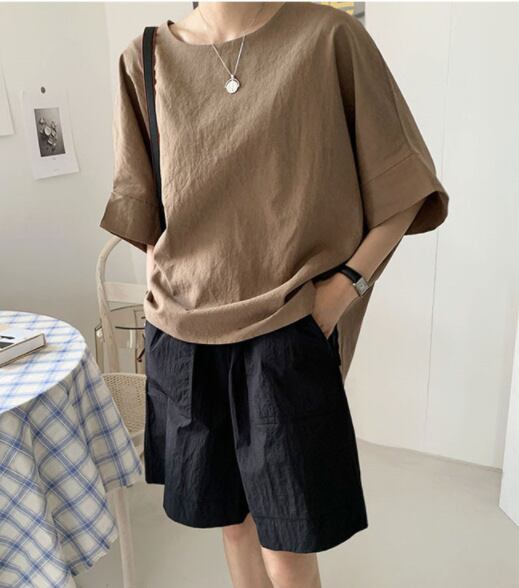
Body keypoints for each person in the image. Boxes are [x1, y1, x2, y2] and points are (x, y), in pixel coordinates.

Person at [100, 2, 449, 587]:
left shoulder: (329, 37)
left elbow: (406, 187)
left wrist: (342, 291)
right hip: (184, 336)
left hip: (287, 330)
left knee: (288, 545)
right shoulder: (144, 57)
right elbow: (144, 207)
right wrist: (164, 291)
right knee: (233, 525)